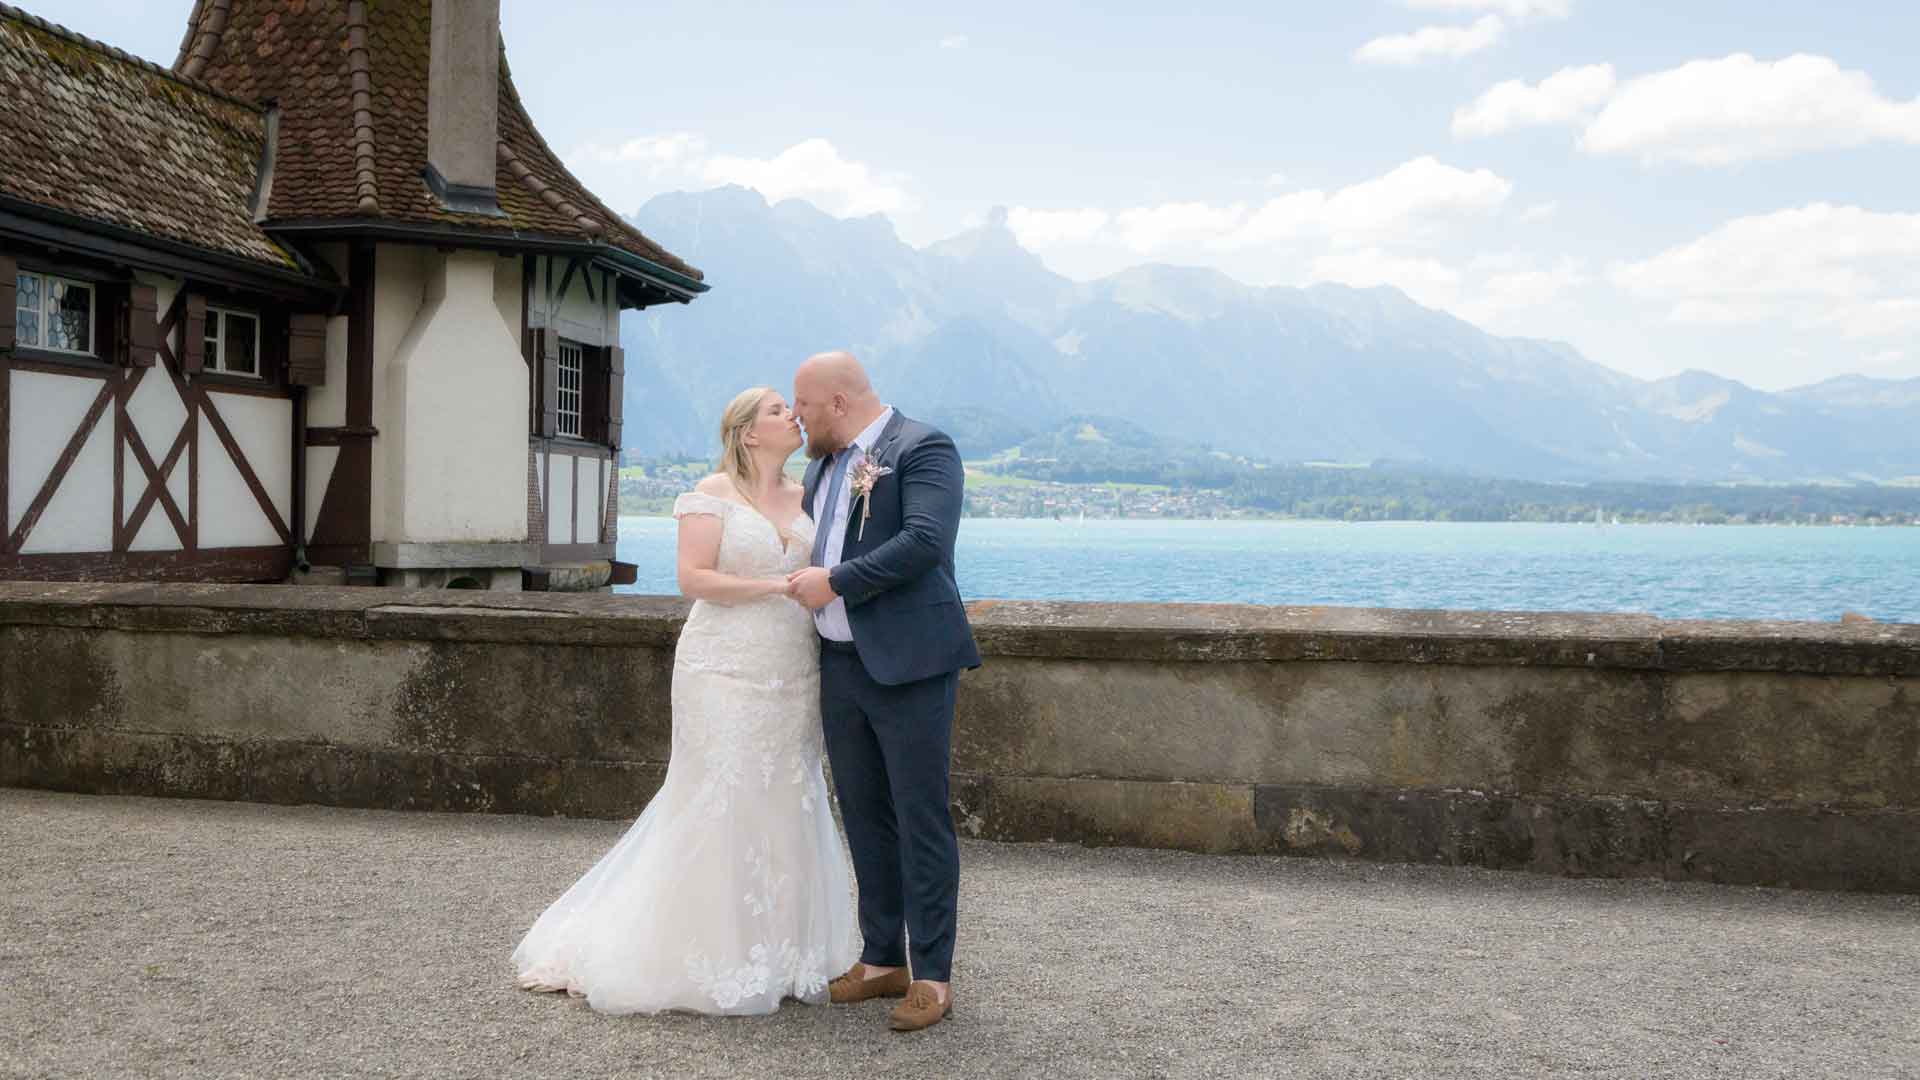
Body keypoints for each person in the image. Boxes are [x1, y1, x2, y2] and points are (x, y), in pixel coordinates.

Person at [511, 386, 857, 1015]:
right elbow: (693, 579)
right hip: (721, 666)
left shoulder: (810, 494)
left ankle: (780, 948)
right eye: (780, 410)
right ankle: (698, 950)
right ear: (750, 432)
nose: (794, 417)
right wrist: (779, 585)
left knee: (786, 795)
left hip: (791, 667)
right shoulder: (713, 493)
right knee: (718, 794)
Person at [787, 350, 982, 1032]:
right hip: (840, 664)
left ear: (838, 404)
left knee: (920, 818)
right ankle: (880, 959)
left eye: (805, 406)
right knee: (864, 815)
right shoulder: (822, 464)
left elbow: (927, 541)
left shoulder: (923, 448)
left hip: (911, 664)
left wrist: (836, 582)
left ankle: (931, 974)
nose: (798, 418)